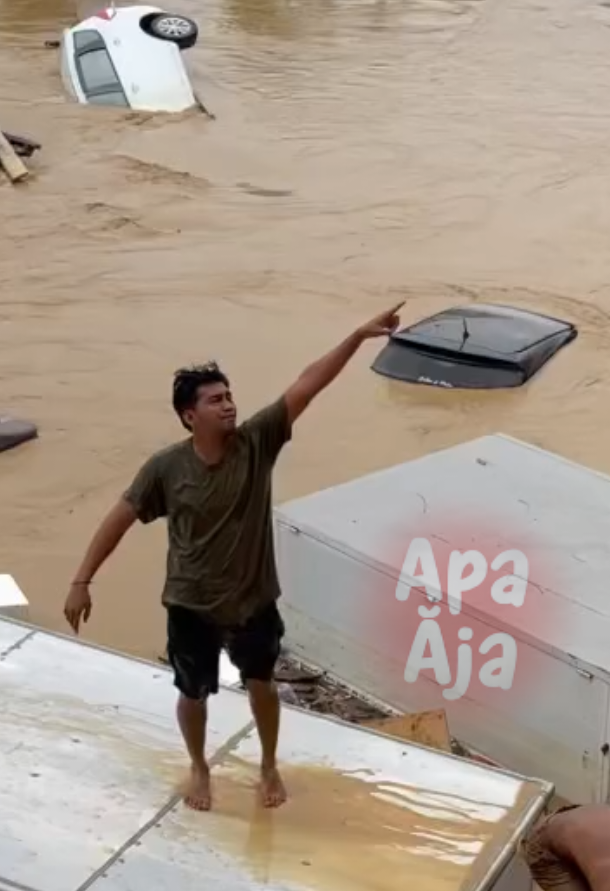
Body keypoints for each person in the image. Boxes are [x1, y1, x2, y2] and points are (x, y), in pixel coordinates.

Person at [63, 304, 404, 812]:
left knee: (262, 684)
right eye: (215, 400)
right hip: (190, 602)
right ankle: (200, 767)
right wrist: (81, 580)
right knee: (192, 692)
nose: (228, 406)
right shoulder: (166, 468)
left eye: (230, 396)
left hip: (252, 601)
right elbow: (120, 516)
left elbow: (308, 384)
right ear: (188, 415)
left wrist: (356, 337)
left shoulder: (257, 442)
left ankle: (268, 765)